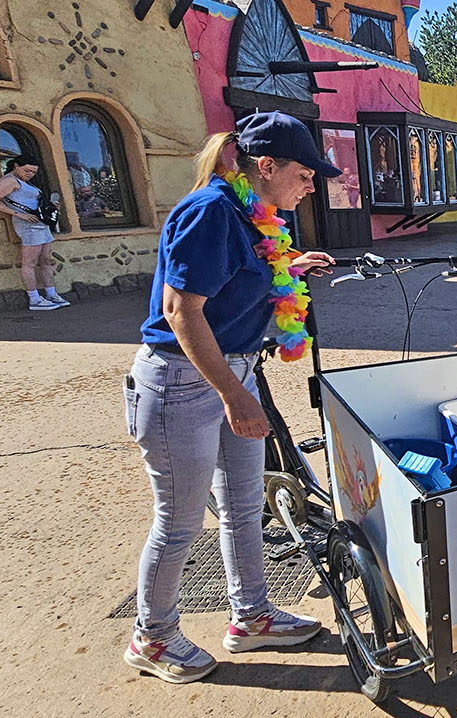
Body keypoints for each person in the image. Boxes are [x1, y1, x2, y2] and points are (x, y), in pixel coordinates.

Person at [123, 111, 338, 684]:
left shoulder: (249, 215)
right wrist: (234, 396)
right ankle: (153, 637)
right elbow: (180, 311)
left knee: (245, 507)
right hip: (182, 382)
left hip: (231, 372)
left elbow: (228, 283)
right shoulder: (210, 211)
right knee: (180, 521)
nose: (312, 184)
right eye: (305, 172)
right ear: (266, 167)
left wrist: (288, 267)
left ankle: (250, 616)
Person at [0, 155, 69, 311]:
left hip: (40, 224)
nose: (30, 174)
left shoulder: (24, 182)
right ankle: (34, 299)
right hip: (29, 226)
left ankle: (51, 293)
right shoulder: (9, 181)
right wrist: (17, 214)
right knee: (29, 263)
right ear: (16, 166)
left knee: (45, 260)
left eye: (33, 172)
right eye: (27, 170)